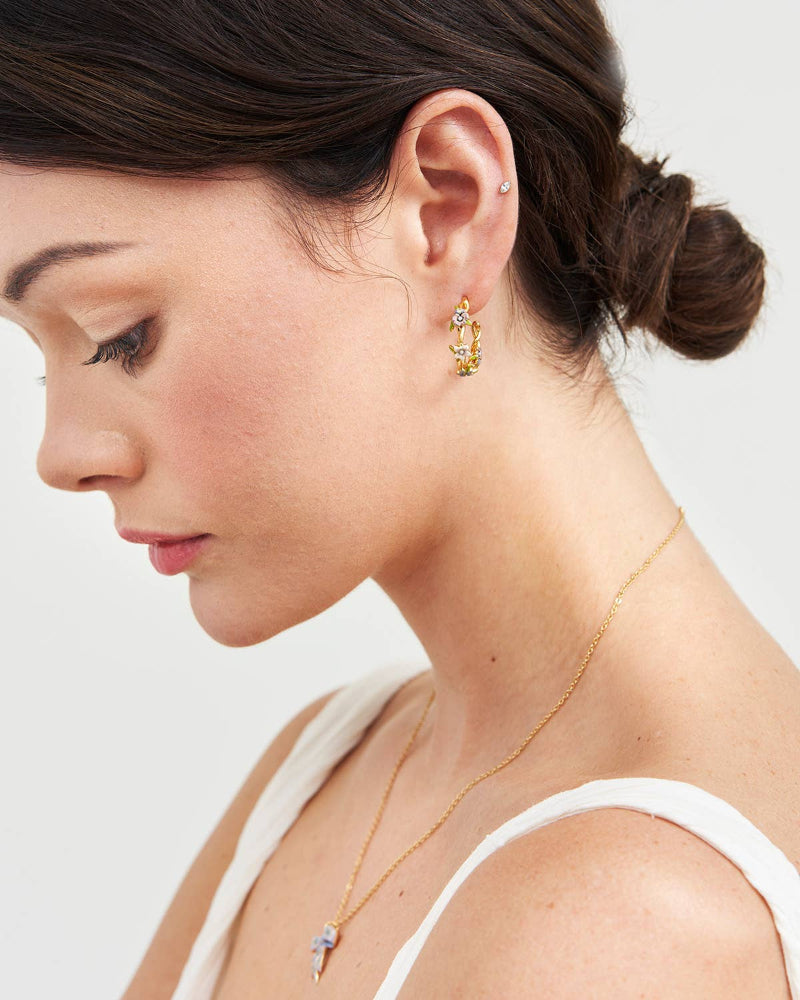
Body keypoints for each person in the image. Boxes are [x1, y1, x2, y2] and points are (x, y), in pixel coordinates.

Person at [1, 1, 798, 998]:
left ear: (446, 212)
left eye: (120, 333)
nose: (61, 454)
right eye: (41, 360)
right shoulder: (329, 760)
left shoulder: (632, 919)